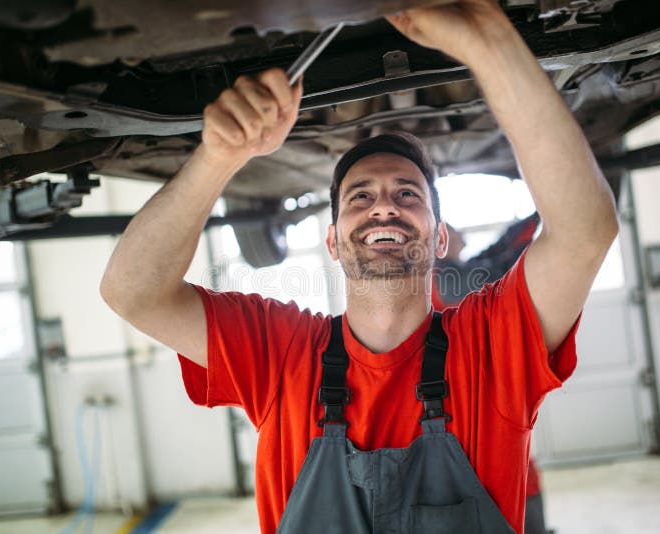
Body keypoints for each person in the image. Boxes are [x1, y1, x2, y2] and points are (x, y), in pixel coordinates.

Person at [100, 1, 619, 533]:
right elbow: (132, 291)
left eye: (407, 193)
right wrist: (218, 158)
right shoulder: (280, 355)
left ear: (440, 237)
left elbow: (584, 234)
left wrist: (489, 42)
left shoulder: (490, 350)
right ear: (331, 241)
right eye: (360, 196)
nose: (384, 206)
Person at [432, 217, 551, 534]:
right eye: (455, 232)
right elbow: (498, 265)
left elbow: (493, 255)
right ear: (439, 240)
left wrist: (530, 220)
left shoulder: (450, 274)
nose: (463, 238)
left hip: (472, 395)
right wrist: (543, 221)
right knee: (512, 476)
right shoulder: (441, 279)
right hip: (467, 401)